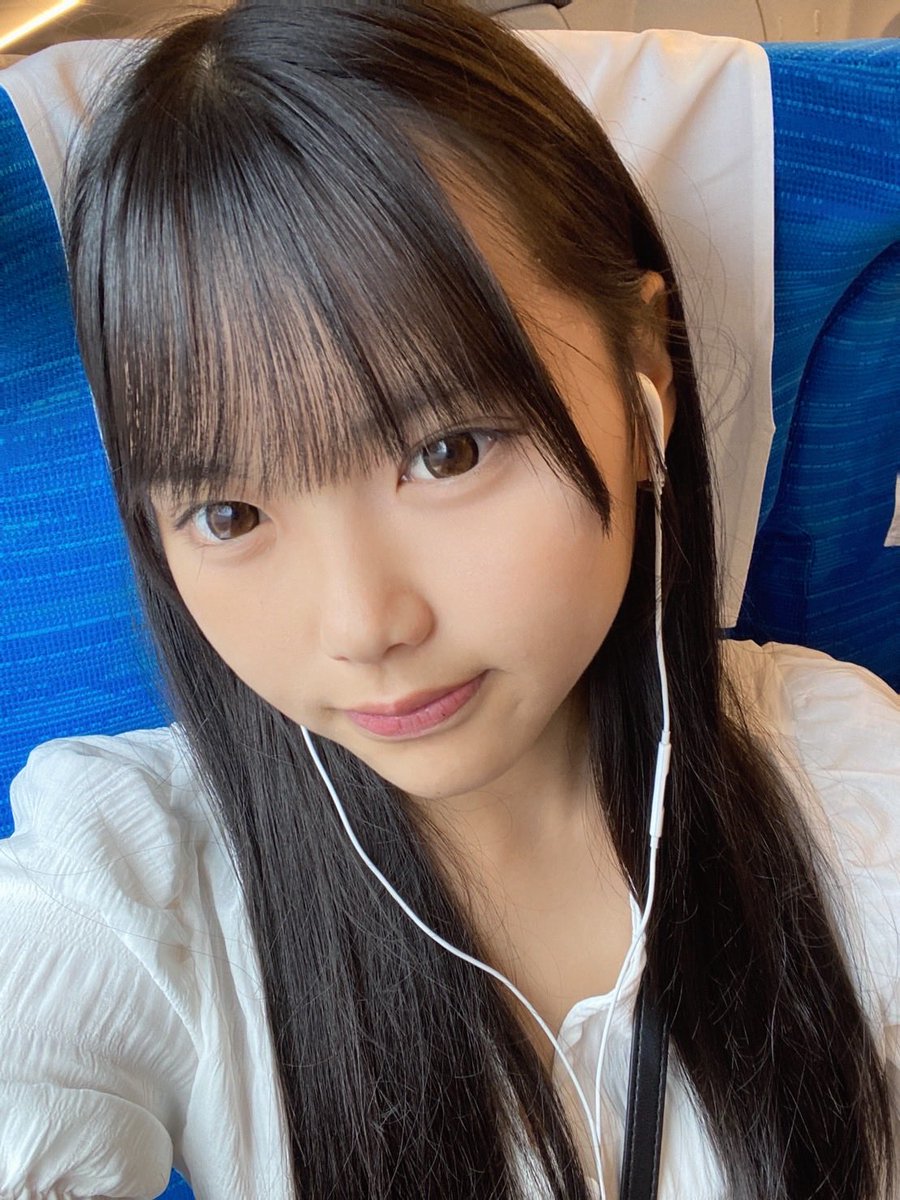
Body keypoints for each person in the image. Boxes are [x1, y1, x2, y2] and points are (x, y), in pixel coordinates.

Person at [0, 1, 897, 1197]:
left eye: (448, 452)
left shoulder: (848, 778)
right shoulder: (132, 877)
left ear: (646, 373)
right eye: (229, 514)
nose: (363, 626)